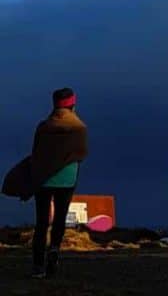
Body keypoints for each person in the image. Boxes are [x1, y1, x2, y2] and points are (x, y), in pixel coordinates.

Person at [30, 87, 88, 279]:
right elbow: (81, 153)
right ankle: (54, 251)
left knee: (41, 222)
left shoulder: (44, 127)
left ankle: (38, 266)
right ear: (73, 104)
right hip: (67, 178)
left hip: (44, 179)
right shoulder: (79, 128)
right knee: (60, 220)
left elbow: (36, 152)